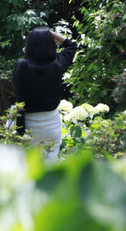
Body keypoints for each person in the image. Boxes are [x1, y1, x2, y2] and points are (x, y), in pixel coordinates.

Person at [12, 27, 77, 164]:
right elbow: (71, 46)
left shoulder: (22, 65)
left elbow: (16, 87)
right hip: (52, 123)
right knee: (49, 170)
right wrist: (50, 34)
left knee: (24, 168)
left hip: (28, 124)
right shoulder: (58, 64)